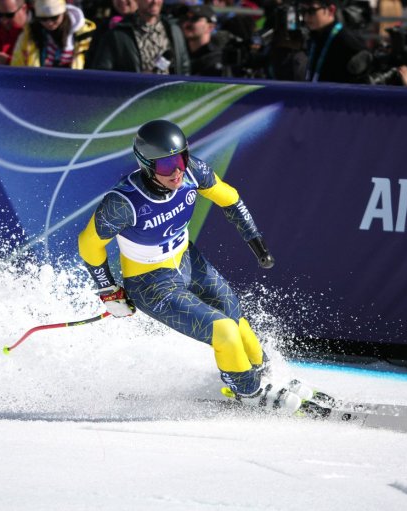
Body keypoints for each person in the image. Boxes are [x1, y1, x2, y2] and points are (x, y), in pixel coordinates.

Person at [77, 120, 309, 411]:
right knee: (223, 330)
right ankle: (249, 392)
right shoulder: (124, 202)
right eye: (165, 165)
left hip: (188, 260)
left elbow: (230, 198)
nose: (176, 171)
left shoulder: (192, 172)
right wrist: (109, 290)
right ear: (147, 165)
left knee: (234, 316)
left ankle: (265, 375)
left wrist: (255, 241)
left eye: (181, 158)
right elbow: (88, 244)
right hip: (151, 283)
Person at [89, 0, 190, 74]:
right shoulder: (118, 34)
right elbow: (102, 73)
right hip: (134, 98)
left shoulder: (173, 29)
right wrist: (136, 80)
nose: (154, 1)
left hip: (170, 98)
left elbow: (184, 68)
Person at [10, 0, 96, 68]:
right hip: (40, 86)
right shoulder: (29, 35)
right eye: (43, 19)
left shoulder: (85, 34)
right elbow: (17, 65)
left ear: (63, 13)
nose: (49, 23)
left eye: (54, 17)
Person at [298, 0, 369, 83]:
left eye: (311, 11)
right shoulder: (314, 37)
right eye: (303, 11)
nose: (306, 17)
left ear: (331, 10)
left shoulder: (346, 41)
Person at [180, 4, 224, 76]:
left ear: (210, 27)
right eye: (185, 18)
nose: (187, 23)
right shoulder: (178, 52)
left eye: (195, 19)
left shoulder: (216, 58)